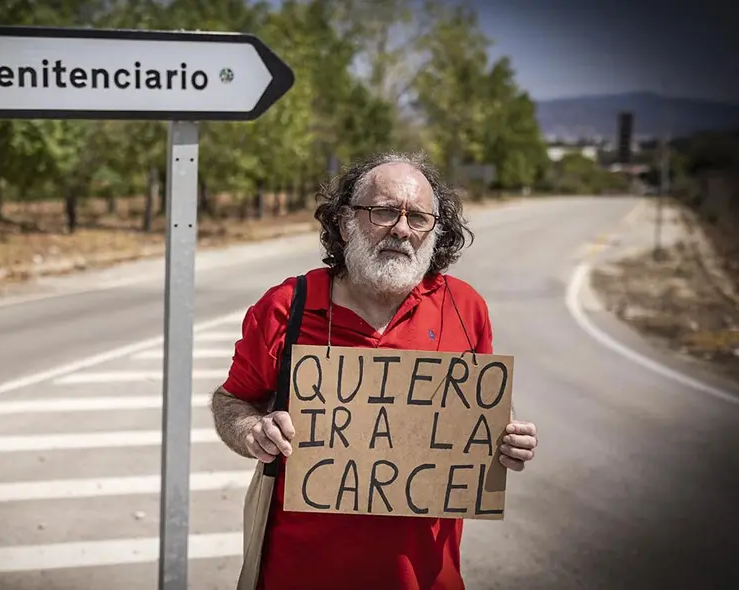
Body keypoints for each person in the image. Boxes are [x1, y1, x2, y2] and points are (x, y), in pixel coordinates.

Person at [209, 151, 539, 590]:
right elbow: (231, 401)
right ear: (345, 223)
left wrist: (506, 431)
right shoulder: (286, 308)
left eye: (419, 218)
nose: (402, 229)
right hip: (298, 576)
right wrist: (252, 432)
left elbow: (485, 404)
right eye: (383, 212)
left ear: (435, 232)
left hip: (426, 579)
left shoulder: (465, 308)